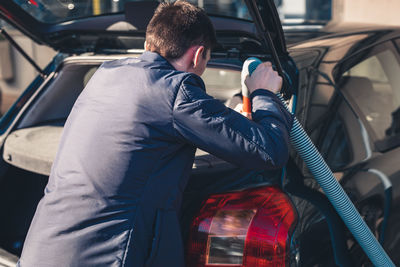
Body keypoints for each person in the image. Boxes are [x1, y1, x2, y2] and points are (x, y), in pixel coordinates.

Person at [17, 1, 293, 266]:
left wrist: (234, 122)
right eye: (205, 61)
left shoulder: (105, 75)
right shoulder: (175, 91)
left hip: (43, 249)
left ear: (149, 44)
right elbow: (270, 150)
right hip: (107, 256)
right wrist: (263, 93)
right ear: (198, 55)